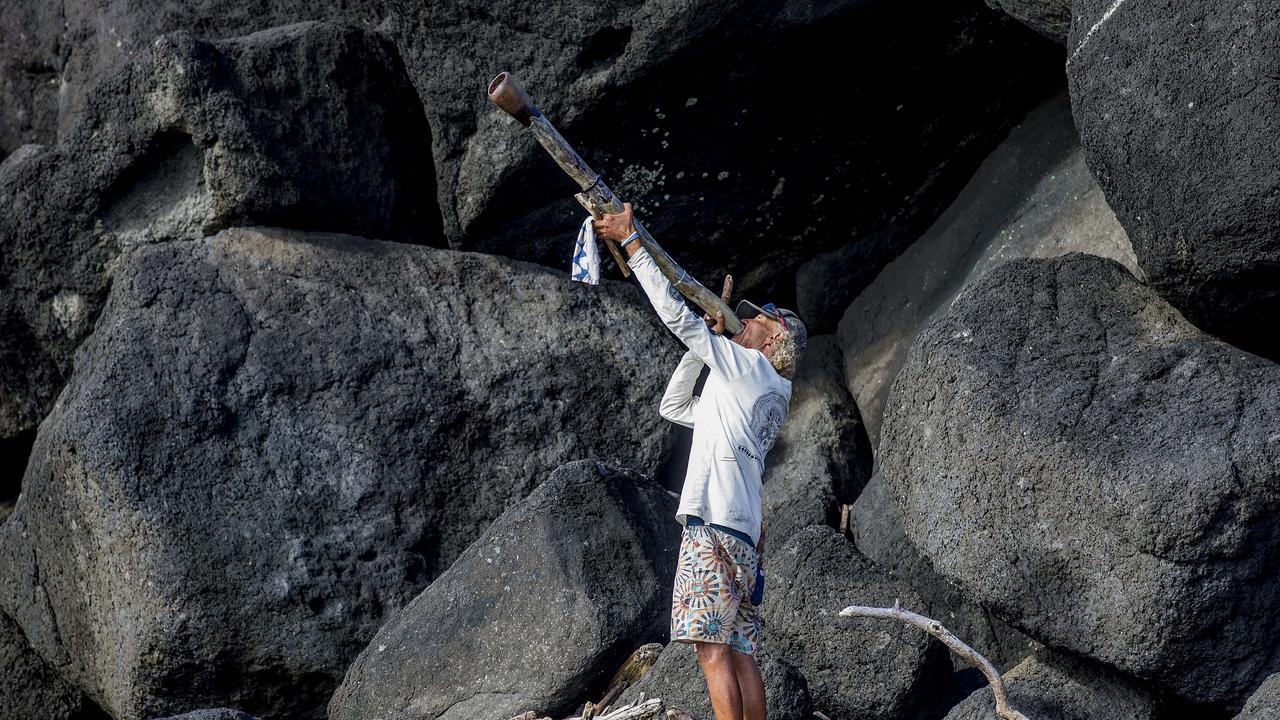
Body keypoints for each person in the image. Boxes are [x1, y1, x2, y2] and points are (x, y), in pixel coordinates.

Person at [592, 203, 807, 720]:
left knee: (709, 648)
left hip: (713, 523)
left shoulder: (750, 369)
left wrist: (634, 246)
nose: (748, 321)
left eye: (757, 319)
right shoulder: (764, 388)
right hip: (746, 530)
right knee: (738, 647)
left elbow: (678, 321)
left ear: (775, 337)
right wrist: (710, 343)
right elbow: (676, 405)